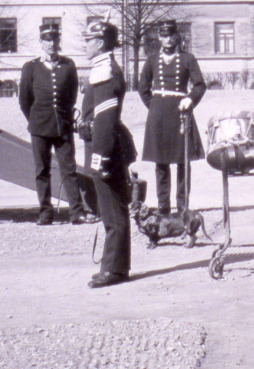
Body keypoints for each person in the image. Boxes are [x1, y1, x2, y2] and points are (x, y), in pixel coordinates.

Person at [82, 18, 138, 288]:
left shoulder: (106, 72)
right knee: (110, 210)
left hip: (107, 150)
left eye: (88, 40)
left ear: (100, 43)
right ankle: (112, 264)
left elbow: (105, 121)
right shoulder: (101, 69)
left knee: (114, 211)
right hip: (102, 147)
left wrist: (100, 157)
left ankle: (115, 270)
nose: (85, 45)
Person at [18, 24, 94, 226]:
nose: (51, 44)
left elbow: (71, 95)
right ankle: (45, 212)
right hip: (39, 127)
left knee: (68, 169)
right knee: (42, 170)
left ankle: (76, 212)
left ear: (59, 42)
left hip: (62, 126)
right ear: (41, 42)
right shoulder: (31, 67)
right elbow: (25, 100)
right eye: (47, 40)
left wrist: (65, 117)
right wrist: (35, 119)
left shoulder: (68, 66)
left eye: (54, 40)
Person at [139, 20, 207, 215]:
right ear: (159, 38)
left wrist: (190, 99)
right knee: (161, 162)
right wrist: (154, 107)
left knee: (182, 161)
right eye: (164, 35)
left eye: (171, 35)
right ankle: (163, 205)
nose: (168, 39)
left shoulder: (188, 59)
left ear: (177, 37)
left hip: (181, 114)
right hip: (159, 115)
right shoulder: (152, 60)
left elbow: (200, 85)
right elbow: (143, 87)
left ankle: (183, 205)